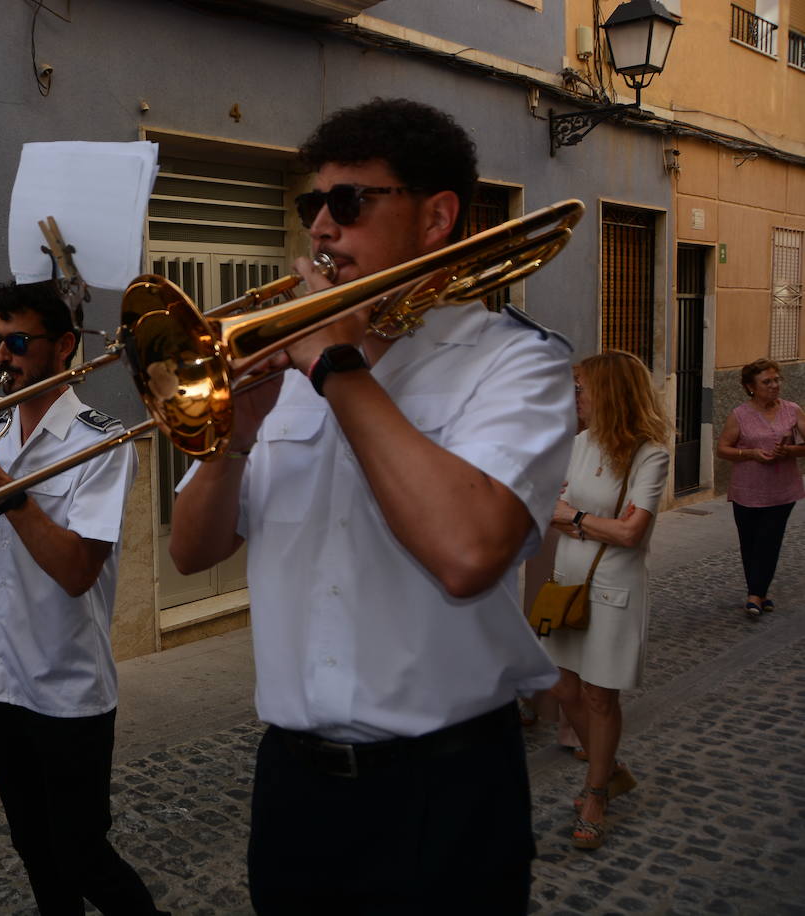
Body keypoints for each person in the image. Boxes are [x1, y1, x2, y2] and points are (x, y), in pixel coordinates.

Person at [168, 98, 576, 912]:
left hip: (446, 790)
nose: (321, 228)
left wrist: (337, 365)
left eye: (349, 203)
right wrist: (233, 440)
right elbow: (191, 551)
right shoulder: (286, 369)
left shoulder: (517, 367)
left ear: (436, 218)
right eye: (310, 206)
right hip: (293, 785)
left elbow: (468, 555)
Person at [0, 280, 166, 916]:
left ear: (65, 347)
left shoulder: (100, 442)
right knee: (34, 849)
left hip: (66, 688)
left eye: (19, 341)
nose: (3, 356)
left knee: (81, 853)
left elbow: (79, 569)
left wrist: (8, 490)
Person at [544, 350, 670, 851]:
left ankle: (596, 793)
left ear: (609, 393)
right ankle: (609, 764)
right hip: (565, 582)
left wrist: (572, 518)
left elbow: (631, 533)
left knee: (599, 696)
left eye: (581, 388)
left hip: (613, 590)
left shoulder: (649, 454)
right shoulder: (576, 444)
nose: (575, 397)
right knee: (561, 688)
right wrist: (575, 517)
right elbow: (545, 506)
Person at [715, 357, 805, 618]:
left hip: (782, 490)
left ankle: (754, 595)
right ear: (750, 386)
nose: (774, 385)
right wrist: (751, 453)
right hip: (746, 490)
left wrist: (787, 450)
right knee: (750, 543)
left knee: (769, 540)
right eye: (767, 381)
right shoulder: (739, 415)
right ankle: (760, 593)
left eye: (777, 379)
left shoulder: (792, 410)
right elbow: (723, 449)